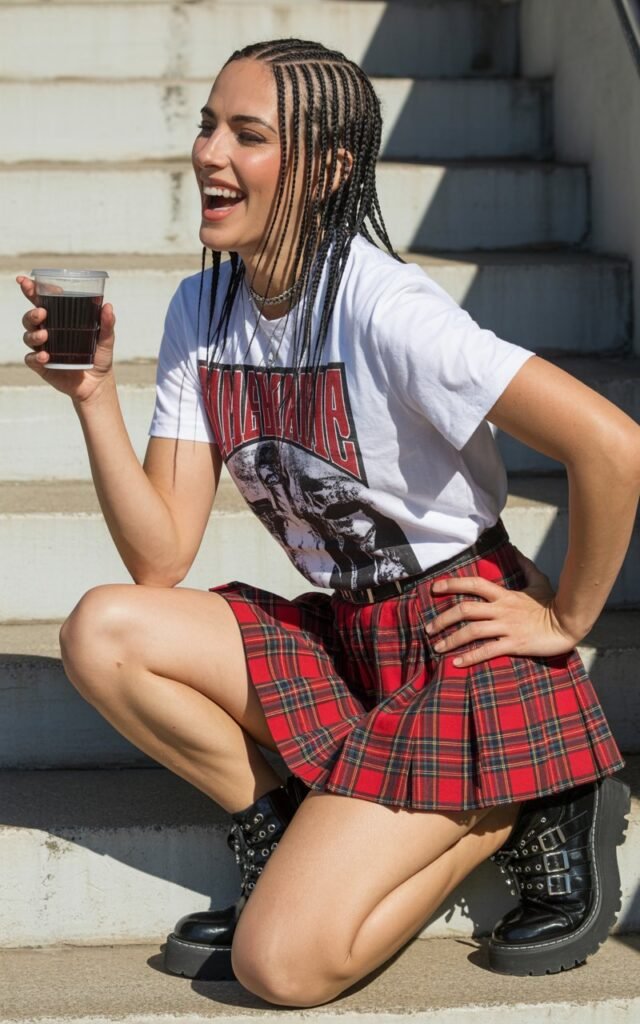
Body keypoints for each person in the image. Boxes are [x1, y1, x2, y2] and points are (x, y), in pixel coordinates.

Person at [18, 38, 639, 1007]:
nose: (211, 154)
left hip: (460, 646)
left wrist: (564, 619)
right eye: (207, 124)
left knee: (280, 965)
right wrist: (92, 393)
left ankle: (516, 800)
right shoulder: (205, 304)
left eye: (249, 135)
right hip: (351, 632)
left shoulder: (387, 309)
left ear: (328, 168)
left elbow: (611, 445)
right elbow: (159, 556)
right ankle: (278, 824)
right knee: (105, 628)